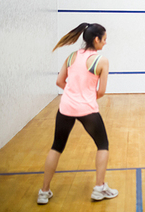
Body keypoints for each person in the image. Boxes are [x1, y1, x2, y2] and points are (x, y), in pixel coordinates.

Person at [37, 23, 118, 204]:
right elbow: (102, 91)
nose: (105, 43)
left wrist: (73, 94)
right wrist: (85, 98)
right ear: (96, 39)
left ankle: (44, 191)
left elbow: (60, 82)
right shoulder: (101, 61)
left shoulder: (71, 56)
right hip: (87, 109)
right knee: (102, 144)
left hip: (65, 108)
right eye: (104, 40)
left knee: (56, 146)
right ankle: (99, 188)